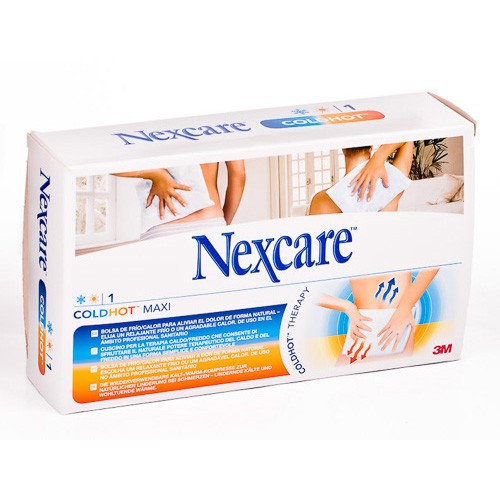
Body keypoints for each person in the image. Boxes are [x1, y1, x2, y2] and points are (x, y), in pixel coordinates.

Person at [114, 159, 246, 235]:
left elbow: (107, 158)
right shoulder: (219, 120)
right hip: (208, 220)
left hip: (161, 226)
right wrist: (222, 224)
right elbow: (238, 173)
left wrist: (153, 173)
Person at [309, 142, 413, 215]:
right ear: (370, 147)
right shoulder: (390, 184)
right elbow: (407, 138)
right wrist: (378, 157)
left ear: (343, 149)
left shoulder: (320, 200)